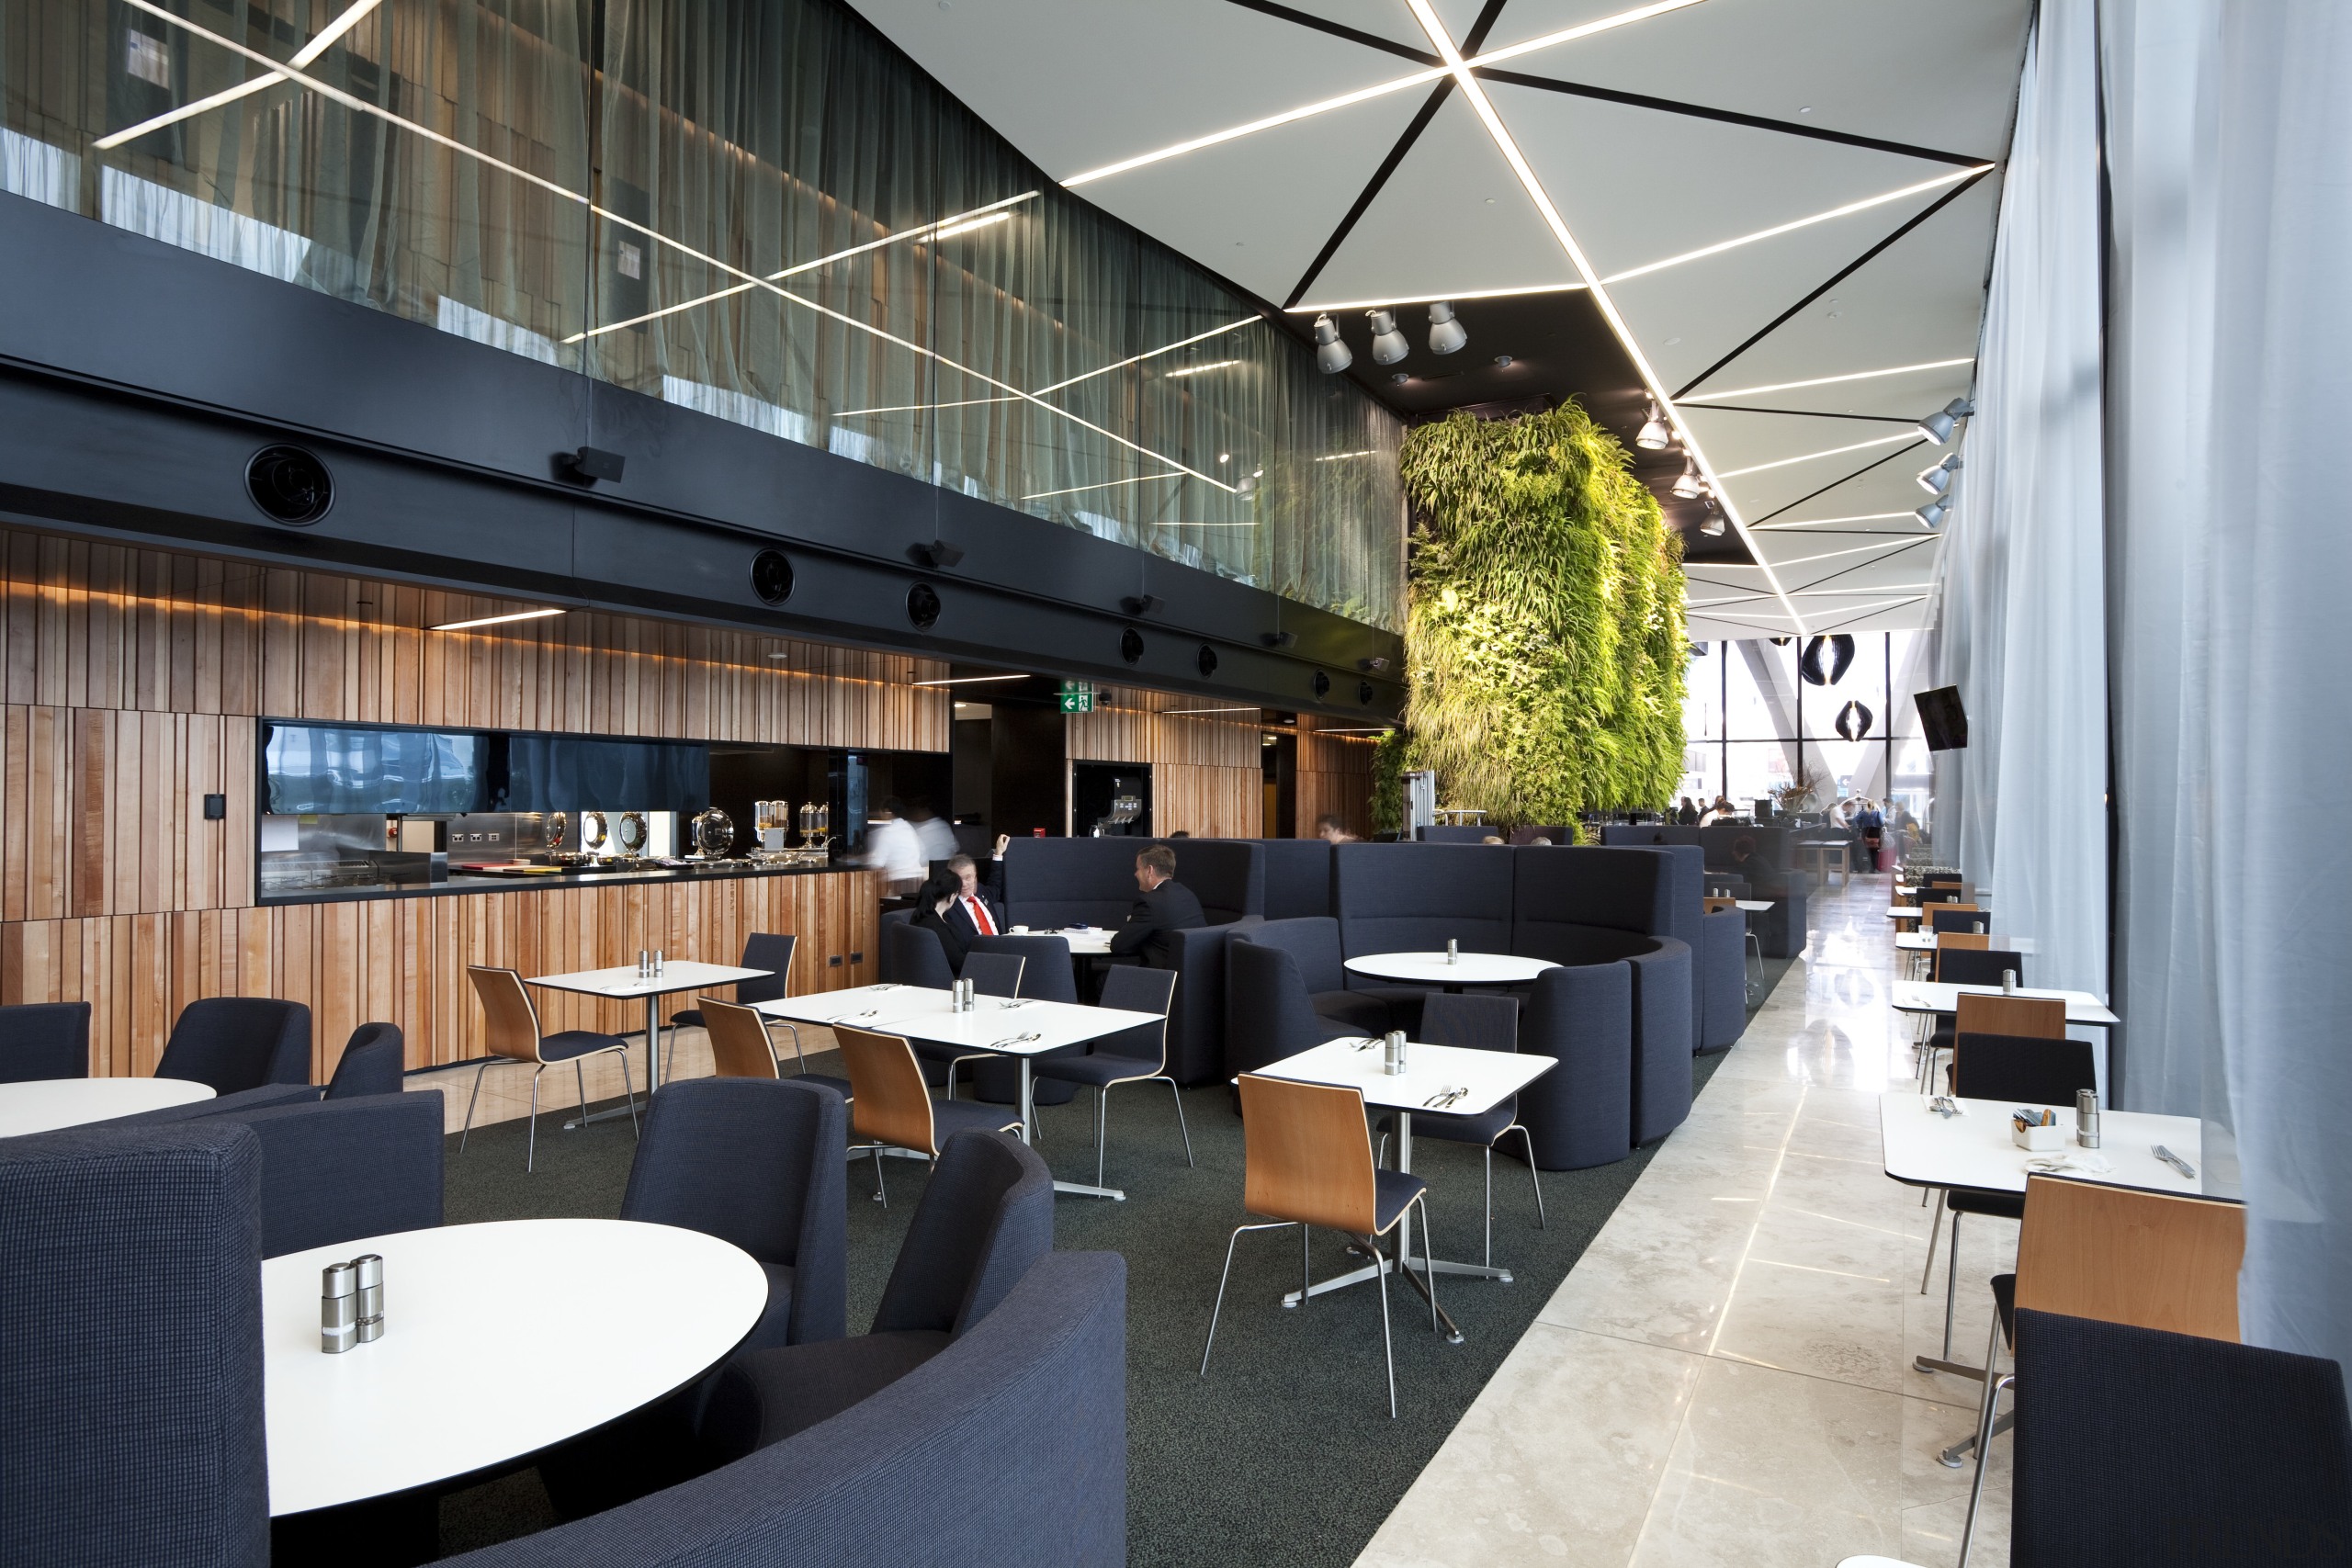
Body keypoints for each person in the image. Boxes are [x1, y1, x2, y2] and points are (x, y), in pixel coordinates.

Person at [1108, 843, 1204, 968]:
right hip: (1191, 976)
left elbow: (1118, 946)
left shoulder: (1149, 903)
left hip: (1160, 980)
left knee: (1102, 981)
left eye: (1138, 869)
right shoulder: (1187, 894)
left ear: (1149, 870)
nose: (1135, 874)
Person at [943, 835, 1012, 946]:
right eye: (959, 879)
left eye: (968, 877)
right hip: (978, 956)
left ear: (975, 876)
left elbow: (995, 885)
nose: (964, 884)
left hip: (1002, 948)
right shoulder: (947, 907)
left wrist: (998, 853)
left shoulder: (981, 891)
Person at [860, 797, 923, 897]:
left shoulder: (888, 832)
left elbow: (877, 863)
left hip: (902, 882)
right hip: (918, 881)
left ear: (886, 811)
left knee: (895, 911)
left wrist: (860, 859)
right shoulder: (909, 828)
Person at [909, 871, 969, 970]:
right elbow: (958, 963)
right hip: (953, 979)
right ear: (952, 896)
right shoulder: (936, 927)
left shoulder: (920, 914)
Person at [905, 797, 957, 865]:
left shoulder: (941, 827)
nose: (914, 813)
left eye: (915, 809)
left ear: (925, 810)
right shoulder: (943, 826)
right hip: (942, 871)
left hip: (937, 871)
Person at [1855, 796, 1886, 874]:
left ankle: (1863, 868)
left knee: (1866, 851)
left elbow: (1855, 819)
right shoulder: (1877, 813)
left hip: (1866, 832)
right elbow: (1882, 823)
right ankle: (1873, 869)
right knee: (1875, 851)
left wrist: (1860, 825)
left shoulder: (1863, 813)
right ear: (1874, 805)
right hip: (1875, 832)